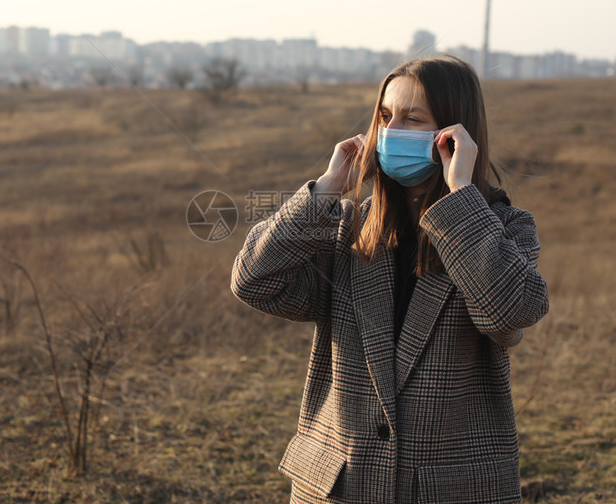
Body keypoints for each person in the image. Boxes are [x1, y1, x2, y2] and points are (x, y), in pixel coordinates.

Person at [230, 56, 550, 503]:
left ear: (454, 135)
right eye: (385, 116)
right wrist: (325, 190)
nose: (390, 130)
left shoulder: (503, 228)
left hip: (449, 490)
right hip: (342, 484)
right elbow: (253, 280)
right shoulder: (348, 229)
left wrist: (461, 196)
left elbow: (512, 311)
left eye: (412, 118)